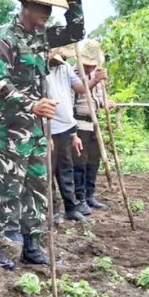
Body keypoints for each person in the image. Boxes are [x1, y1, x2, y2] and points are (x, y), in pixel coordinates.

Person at [0, 0, 85, 270]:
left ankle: (32, 248)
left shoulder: (43, 36)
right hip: (10, 131)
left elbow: (76, 32)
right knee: (7, 192)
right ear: (26, 6)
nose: (48, 15)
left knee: (38, 189)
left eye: (52, 9)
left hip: (37, 130)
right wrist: (32, 104)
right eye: (44, 8)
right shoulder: (6, 39)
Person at [47, 45, 103, 223]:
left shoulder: (65, 69)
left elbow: (80, 87)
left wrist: (94, 80)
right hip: (49, 127)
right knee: (49, 171)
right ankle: (53, 209)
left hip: (66, 127)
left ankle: (70, 208)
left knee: (66, 169)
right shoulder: (39, 71)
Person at [73, 39, 113, 214]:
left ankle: (90, 196)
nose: (89, 68)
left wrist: (106, 102)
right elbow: (79, 92)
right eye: (87, 64)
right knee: (79, 163)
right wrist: (94, 81)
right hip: (78, 123)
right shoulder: (74, 73)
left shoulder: (98, 75)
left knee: (93, 162)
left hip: (93, 123)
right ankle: (79, 198)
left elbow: (97, 99)